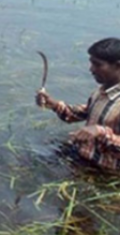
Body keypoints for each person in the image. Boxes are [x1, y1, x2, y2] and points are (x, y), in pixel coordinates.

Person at [36, 38, 119, 172]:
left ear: (118, 66)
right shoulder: (102, 91)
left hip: (103, 170)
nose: (91, 69)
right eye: (91, 63)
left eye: (97, 65)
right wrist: (53, 104)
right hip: (82, 156)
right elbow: (85, 112)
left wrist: (101, 132)